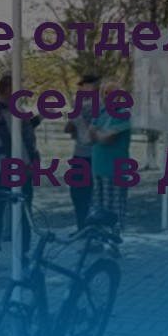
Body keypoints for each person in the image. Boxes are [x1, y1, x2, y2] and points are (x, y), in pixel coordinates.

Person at [0, 72, 39, 270]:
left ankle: (18, 252)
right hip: (2, 168)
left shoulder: (14, 111)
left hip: (18, 168)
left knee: (20, 211)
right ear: (8, 89)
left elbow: (25, 135)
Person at [88, 81, 133, 237]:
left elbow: (108, 138)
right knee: (98, 209)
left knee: (113, 209)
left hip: (115, 170)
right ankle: (100, 238)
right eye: (106, 93)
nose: (109, 96)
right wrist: (98, 134)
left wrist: (97, 133)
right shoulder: (100, 113)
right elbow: (89, 137)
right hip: (98, 168)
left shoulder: (123, 113)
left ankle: (114, 239)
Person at [64, 74, 100, 232]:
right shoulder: (80, 106)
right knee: (77, 193)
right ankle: (82, 228)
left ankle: (91, 228)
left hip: (93, 156)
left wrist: (78, 121)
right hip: (79, 155)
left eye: (85, 85)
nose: (82, 89)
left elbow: (89, 136)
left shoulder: (100, 106)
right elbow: (68, 128)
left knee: (90, 194)